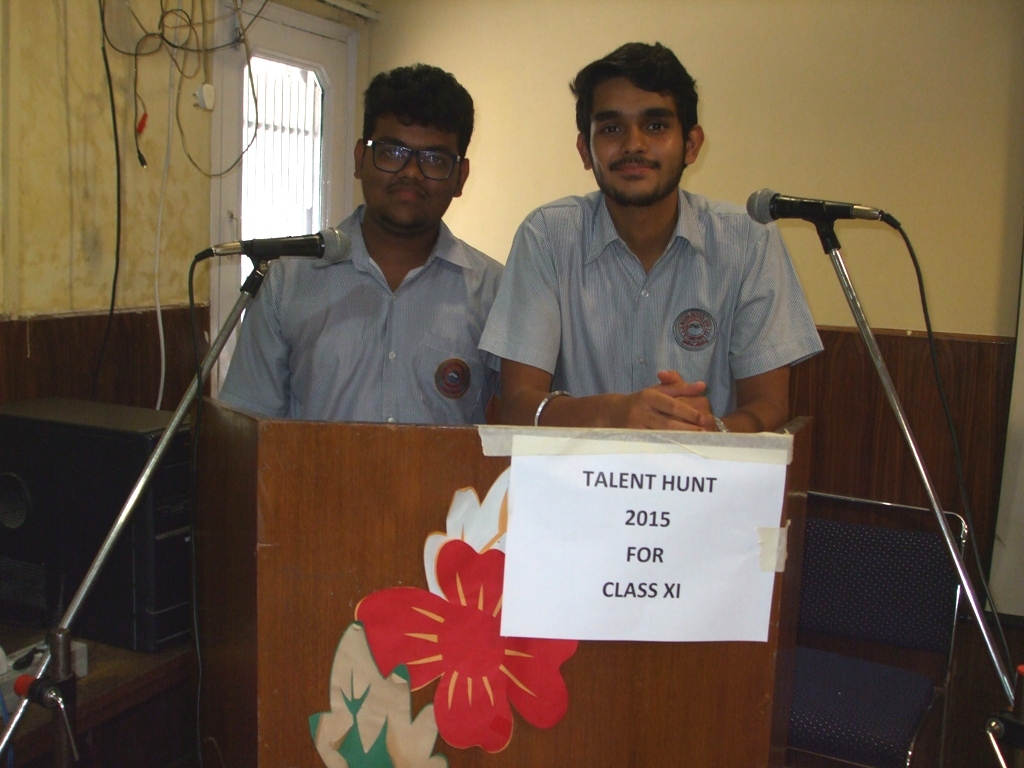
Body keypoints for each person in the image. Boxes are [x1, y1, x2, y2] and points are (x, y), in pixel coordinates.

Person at [479, 42, 822, 432]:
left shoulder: (749, 240)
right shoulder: (546, 237)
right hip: (578, 471)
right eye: (611, 128)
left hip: (707, 470)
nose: (634, 145)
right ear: (585, 150)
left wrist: (708, 431)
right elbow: (517, 407)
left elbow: (770, 406)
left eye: (656, 126)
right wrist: (614, 413)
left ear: (691, 145)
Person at [220, 64, 502, 424]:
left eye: (434, 159)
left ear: (460, 177)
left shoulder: (495, 292)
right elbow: (247, 427)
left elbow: (516, 430)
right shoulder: (285, 283)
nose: (411, 172)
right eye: (392, 152)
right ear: (360, 159)